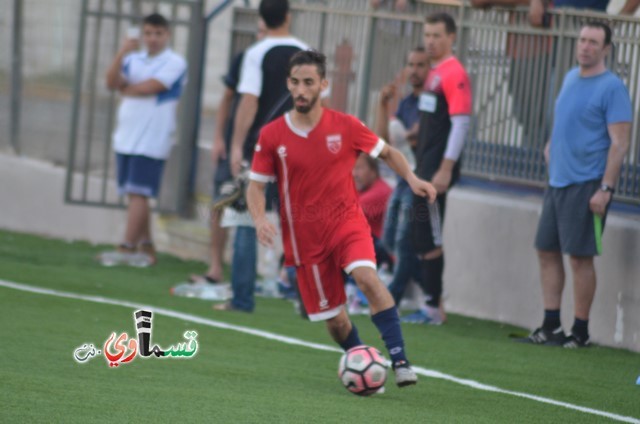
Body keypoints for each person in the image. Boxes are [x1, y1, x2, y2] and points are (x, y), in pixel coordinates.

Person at [247, 50, 437, 387]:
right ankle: (361, 357)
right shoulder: (272, 135)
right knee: (335, 320)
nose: (302, 89)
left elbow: (388, 152)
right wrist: (261, 219)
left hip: (347, 223)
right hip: (306, 240)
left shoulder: (346, 126)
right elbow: (255, 188)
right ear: (289, 85)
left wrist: (413, 179)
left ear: (323, 84)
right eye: (296, 82)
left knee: (366, 277)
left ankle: (400, 360)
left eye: (309, 82)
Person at [522, 22, 631, 348]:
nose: (585, 46)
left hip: (587, 185)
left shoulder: (612, 88)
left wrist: (606, 188)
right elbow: (564, 121)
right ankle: (551, 325)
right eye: (582, 40)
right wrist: (550, 146)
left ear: (606, 49)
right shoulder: (570, 77)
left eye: (593, 42)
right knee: (546, 250)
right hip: (557, 182)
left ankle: (580, 331)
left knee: (580, 257)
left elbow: (620, 143)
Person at [213, 0, 309, 312]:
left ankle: (242, 300)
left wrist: (238, 143)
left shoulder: (257, 53)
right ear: (288, 17)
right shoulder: (305, 52)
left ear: (263, 20)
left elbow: (249, 101)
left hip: (263, 147)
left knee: (246, 216)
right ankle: (309, 298)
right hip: (298, 146)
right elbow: (317, 103)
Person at [99, 13, 187, 267]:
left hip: (152, 136)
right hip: (127, 135)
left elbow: (151, 87)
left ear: (167, 35)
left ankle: (126, 247)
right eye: (148, 33)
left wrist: (126, 89)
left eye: (158, 34)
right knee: (135, 193)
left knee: (138, 192)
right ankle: (146, 246)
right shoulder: (133, 59)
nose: (153, 39)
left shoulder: (175, 61)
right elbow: (111, 81)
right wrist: (121, 53)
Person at [403, 12, 472, 325]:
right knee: (419, 235)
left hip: (436, 173)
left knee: (429, 236)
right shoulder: (434, 73)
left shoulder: (453, 72)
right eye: (427, 34)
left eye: (437, 35)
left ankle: (433, 307)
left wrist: (445, 169)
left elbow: (460, 124)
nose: (430, 41)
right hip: (423, 167)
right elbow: (437, 119)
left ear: (451, 37)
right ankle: (432, 304)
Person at [188, 19, 268, 284]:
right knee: (219, 204)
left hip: (264, 149)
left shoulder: (286, 61)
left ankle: (256, 276)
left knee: (257, 210)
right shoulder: (244, 58)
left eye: (265, 30)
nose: (260, 35)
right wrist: (220, 137)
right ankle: (215, 268)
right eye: (258, 29)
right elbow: (227, 98)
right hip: (235, 145)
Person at [375, 46, 429, 305]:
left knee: (403, 240)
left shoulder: (431, 101)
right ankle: (426, 285)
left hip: (417, 179)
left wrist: (403, 137)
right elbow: (383, 140)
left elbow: (421, 135)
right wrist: (382, 105)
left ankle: (391, 298)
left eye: (421, 65)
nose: (415, 70)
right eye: (411, 64)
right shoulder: (406, 102)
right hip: (401, 179)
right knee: (389, 239)